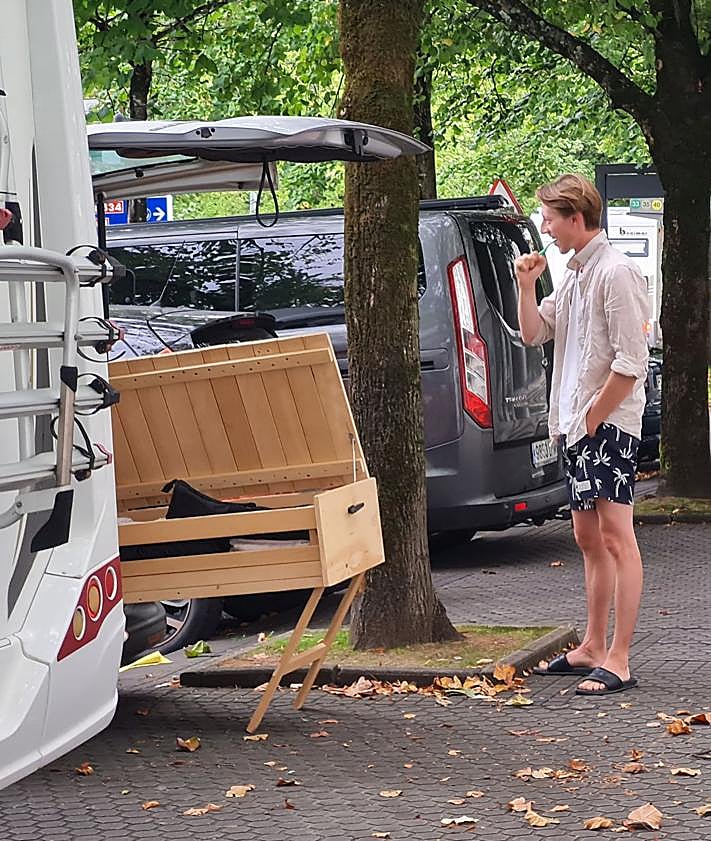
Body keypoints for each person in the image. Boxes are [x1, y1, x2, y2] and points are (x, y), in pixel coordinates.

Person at [514, 174, 649, 696]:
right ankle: (593, 644)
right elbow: (533, 333)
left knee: (617, 538)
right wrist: (527, 286)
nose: (543, 226)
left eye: (548, 217)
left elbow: (630, 361)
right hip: (575, 425)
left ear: (576, 217)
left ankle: (620, 658)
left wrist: (594, 417)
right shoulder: (572, 275)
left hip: (606, 426)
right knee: (587, 538)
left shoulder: (616, 272)